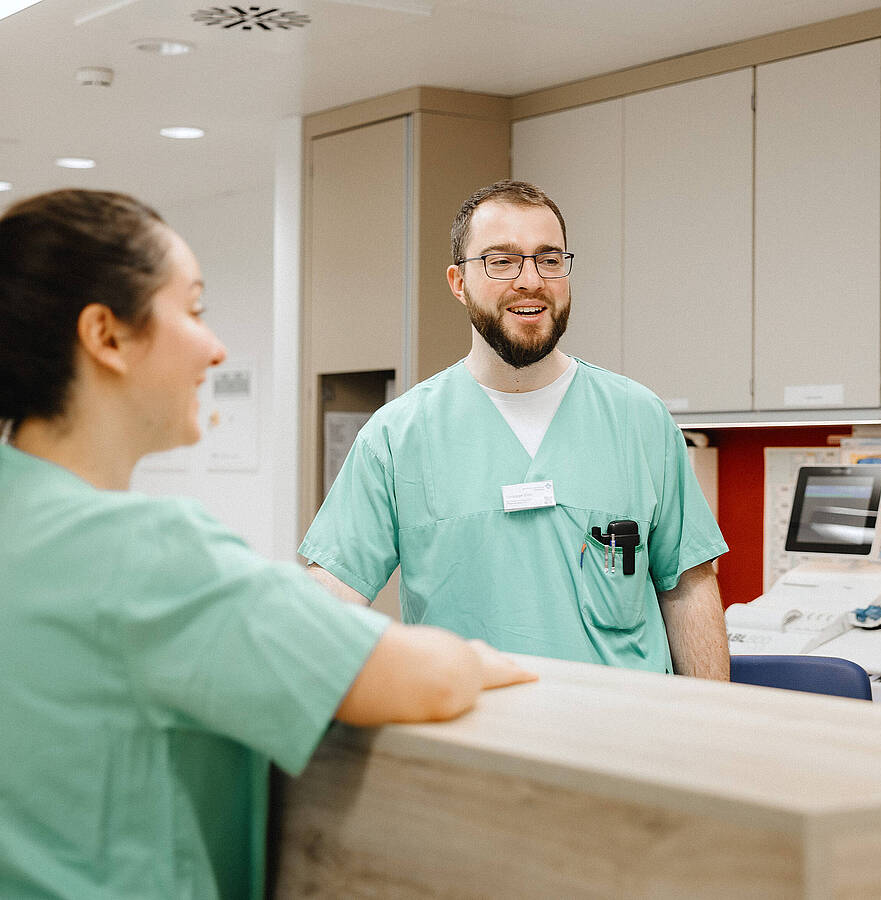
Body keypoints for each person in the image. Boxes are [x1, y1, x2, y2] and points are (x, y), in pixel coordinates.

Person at [0, 188, 535, 898]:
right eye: (191, 311)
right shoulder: (149, 555)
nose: (215, 346)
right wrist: (472, 655)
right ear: (106, 336)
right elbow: (426, 680)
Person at [301, 180, 730, 678]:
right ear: (458, 283)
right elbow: (331, 593)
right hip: (475, 737)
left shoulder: (639, 419)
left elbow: (688, 587)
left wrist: (713, 732)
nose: (530, 280)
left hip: (622, 735)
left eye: (548, 259)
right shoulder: (399, 436)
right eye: (500, 261)